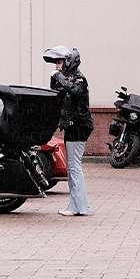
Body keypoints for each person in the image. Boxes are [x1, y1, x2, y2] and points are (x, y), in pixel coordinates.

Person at [44, 46, 92, 217]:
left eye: (59, 62)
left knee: (73, 167)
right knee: (73, 167)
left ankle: (77, 207)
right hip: (72, 127)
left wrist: (60, 78)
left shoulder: (79, 79)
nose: (57, 66)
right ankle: (80, 205)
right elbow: (56, 93)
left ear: (69, 62)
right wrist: (56, 80)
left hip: (79, 127)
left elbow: (75, 91)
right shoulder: (69, 79)